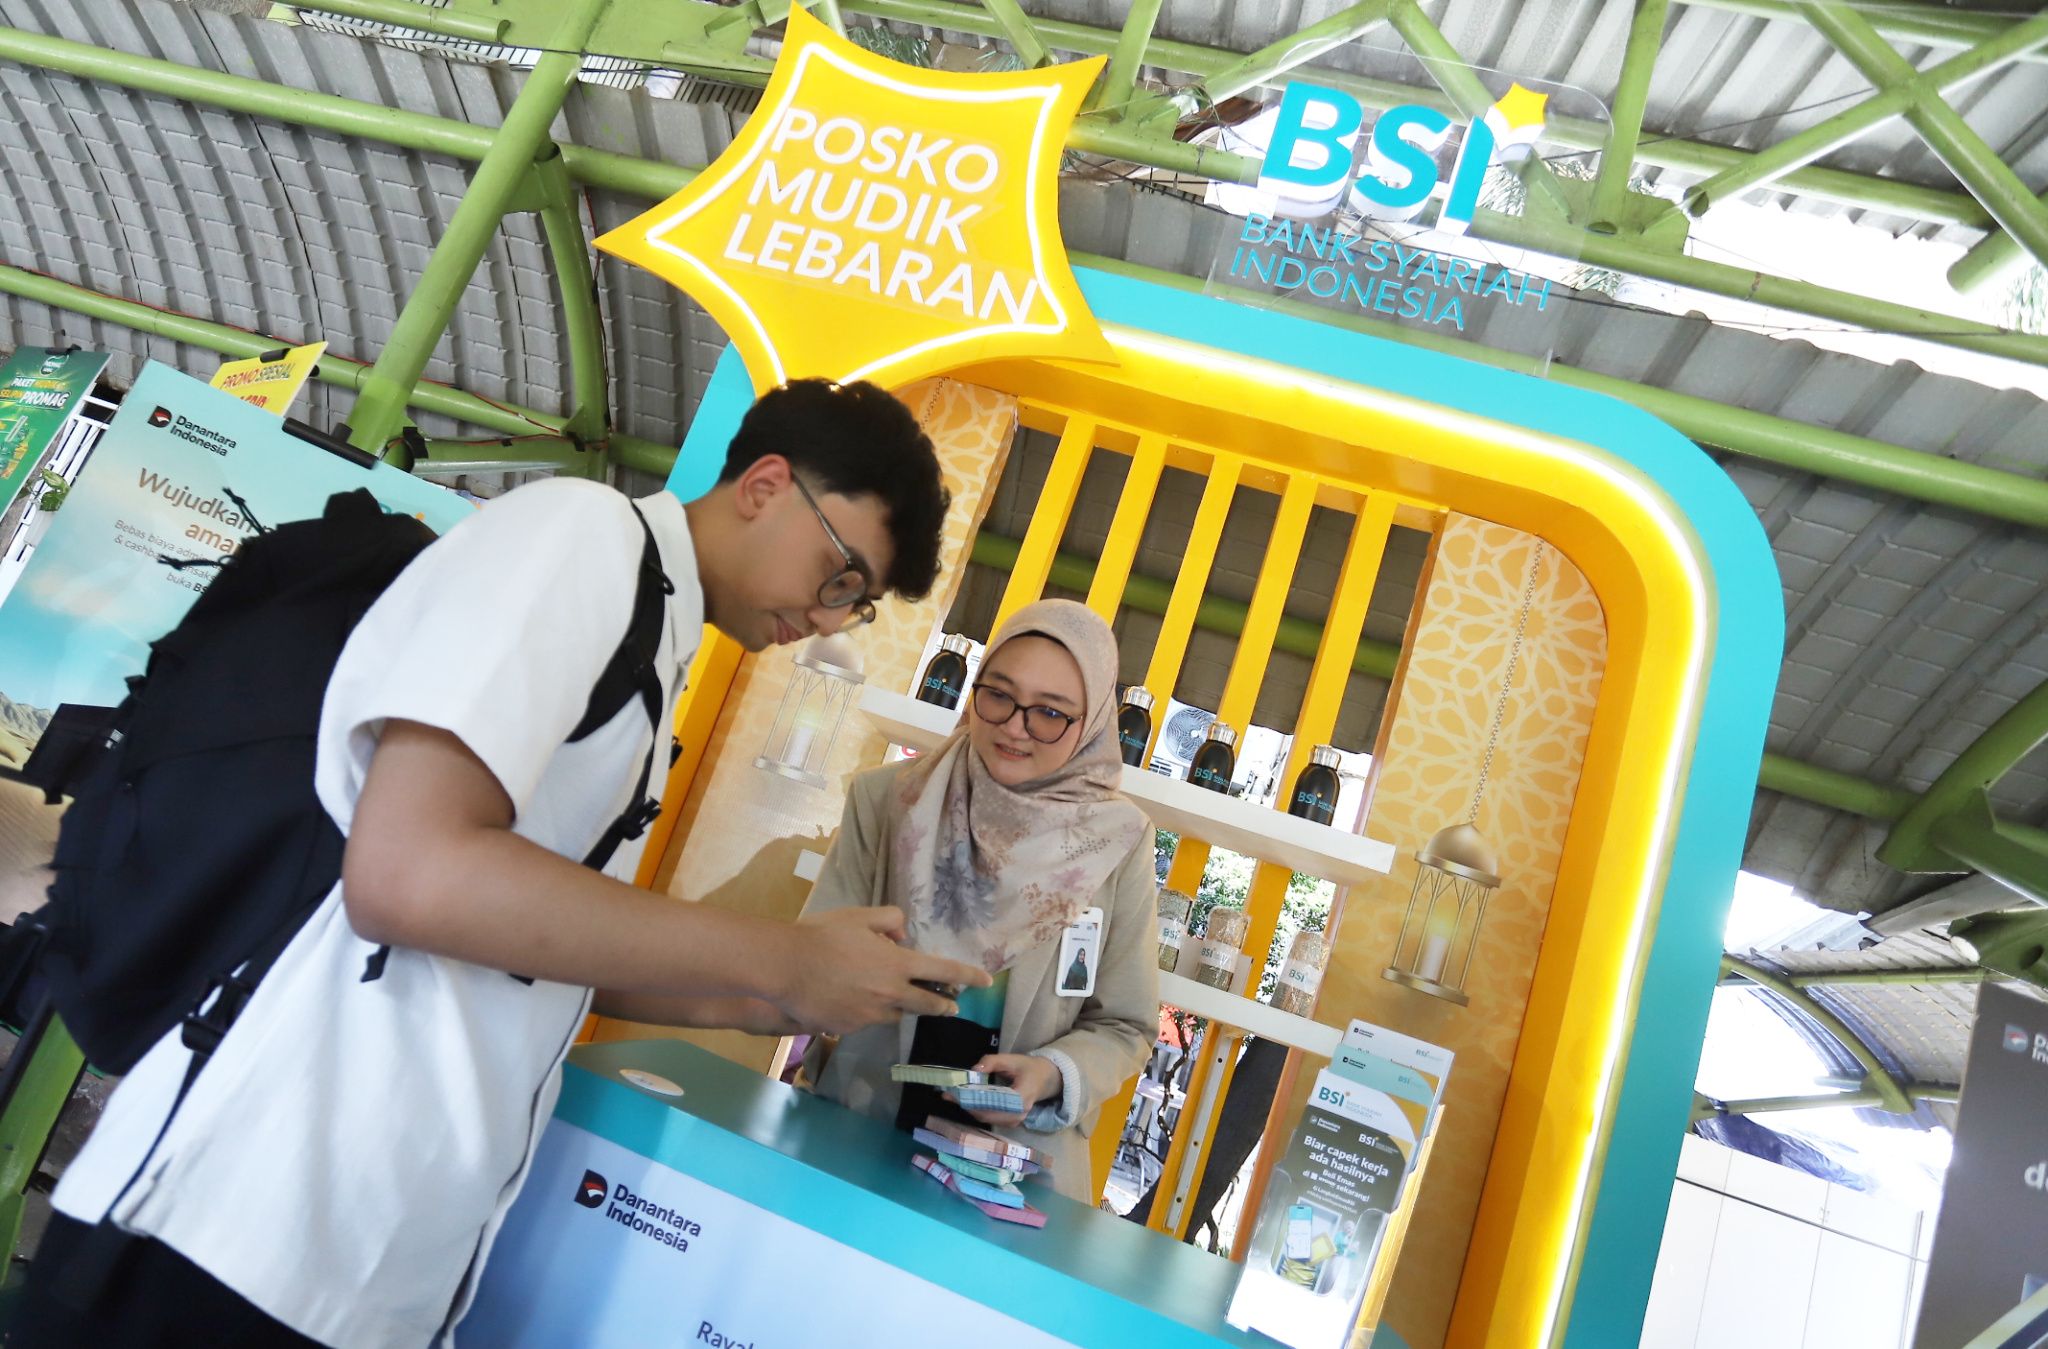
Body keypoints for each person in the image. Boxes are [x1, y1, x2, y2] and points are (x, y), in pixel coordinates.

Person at [17, 378, 990, 1349]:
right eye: (839, 575)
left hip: (354, 1262)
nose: (829, 618)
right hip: (234, 1220)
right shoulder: (584, 537)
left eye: (857, 605)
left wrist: (763, 995)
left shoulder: (656, 634)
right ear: (766, 485)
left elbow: (526, 936)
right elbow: (411, 873)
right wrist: (781, 958)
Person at [801, 600, 1158, 1204]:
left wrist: (1050, 1074)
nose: (1015, 727)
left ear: (1092, 723)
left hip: (1015, 1171)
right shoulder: (891, 800)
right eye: (998, 695)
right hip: (861, 1123)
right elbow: (813, 956)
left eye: (1050, 712)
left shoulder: (1118, 842)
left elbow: (1126, 1024)